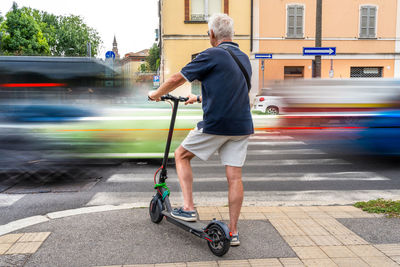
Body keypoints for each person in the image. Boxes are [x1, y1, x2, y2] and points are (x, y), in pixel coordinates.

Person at [148, 13, 253, 246]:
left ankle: (188, 208)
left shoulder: (212, 53)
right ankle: (233, 232)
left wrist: (155, 94)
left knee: (181, 155)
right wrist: (198, 98)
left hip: (217, 123)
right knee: (234, 177)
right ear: (231, 34)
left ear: (212, 34)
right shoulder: (243, 58)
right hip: (242, 125)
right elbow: (232, 89)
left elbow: (177, 78)